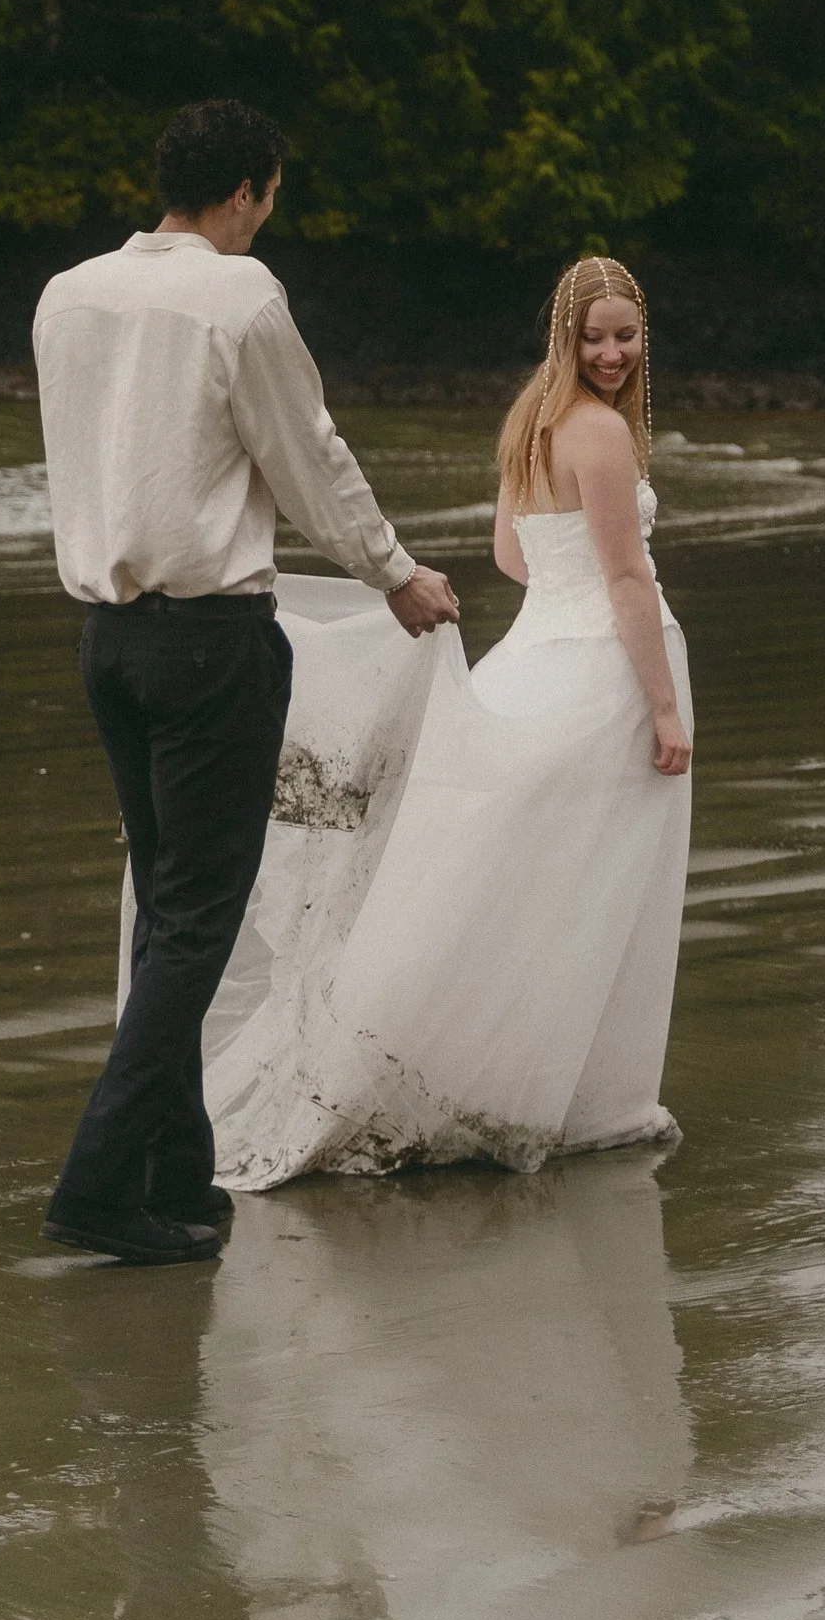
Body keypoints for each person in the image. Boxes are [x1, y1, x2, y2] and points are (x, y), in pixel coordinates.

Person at [35, 97, 458, 1266]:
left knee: (168, 911)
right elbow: (307, 454)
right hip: (211, 644)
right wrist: (394, 574)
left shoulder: (68, 294)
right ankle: (98, 1181)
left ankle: (179, 1178)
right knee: (196, 924)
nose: (268, 214)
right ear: (245, 190)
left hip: (107, 639)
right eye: (270, 194)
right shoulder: (239, 297)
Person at [189, 252, 694, 1189]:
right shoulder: (600, 432)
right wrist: (663, 705)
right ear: (565, 337)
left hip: (537, 651)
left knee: (544, 885)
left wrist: (569, 584)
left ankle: (495, 1070)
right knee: (602, 891)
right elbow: (626, 576)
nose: (613, 353)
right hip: (607, 674)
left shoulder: (531, 419)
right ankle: (582, 1096)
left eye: (626, 336)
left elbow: (512, 555)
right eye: (595, 337)